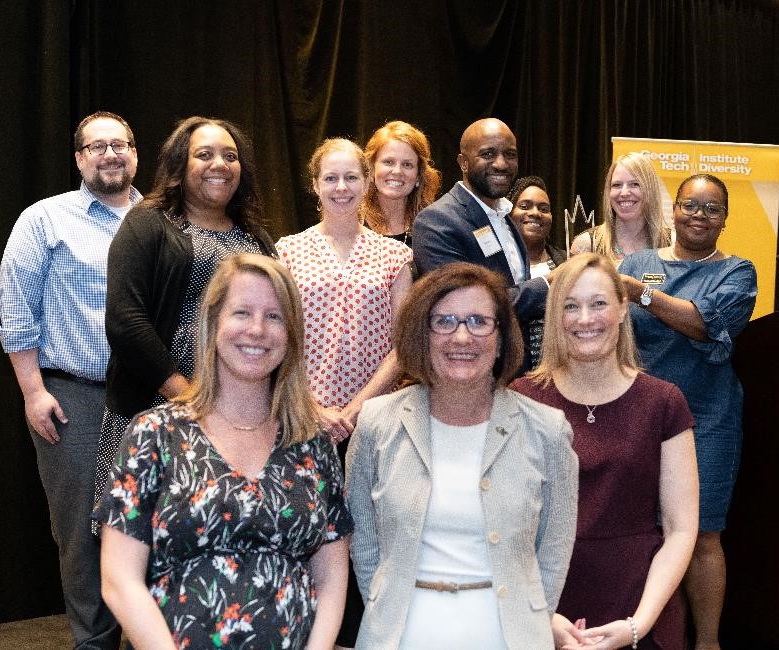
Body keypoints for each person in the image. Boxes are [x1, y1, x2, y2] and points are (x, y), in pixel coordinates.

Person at [97, 254, 353, 649]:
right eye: (242, 312)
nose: (257, 330)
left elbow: (332, 579)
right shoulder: (155, 434)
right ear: (213, 323)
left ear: (292, 334)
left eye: (274, 316)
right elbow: (119, 580)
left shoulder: (312, 443)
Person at [347, 262, 579, 650]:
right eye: (445, 321)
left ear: (502, 337)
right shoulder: (377, 422)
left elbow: (553, 551)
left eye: (478, 321)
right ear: (423, 334)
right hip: (400, 636)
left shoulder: (547, 430)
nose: (461, 336)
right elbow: (363, 539)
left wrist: (532, 619)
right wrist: (383, 603)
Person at [0, 111, 140, 649]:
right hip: (74, 398)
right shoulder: (45, 220)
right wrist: (34, 391)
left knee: (155, 528)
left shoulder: (159, 220)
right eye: (97, 146)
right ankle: (94, 643)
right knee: (83, 535)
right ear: (79, 158)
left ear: (135, 153)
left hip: (157, 400)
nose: (110, 154)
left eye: (120, 144)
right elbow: (16, 311)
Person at [93, 117, 276, 526]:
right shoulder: (148, 223)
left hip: (240, 419)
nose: (220, 164)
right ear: (181, 164)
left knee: (224, 535)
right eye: (204, 154)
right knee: (146, 540)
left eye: (230, 156)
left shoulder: (256, 238)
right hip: (156, 408)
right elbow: (126, 322)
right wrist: (191, 398)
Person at [511, 253, 699, 649]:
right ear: (554, 316)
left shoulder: (664, 402)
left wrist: (638, 624)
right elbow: (503, 528)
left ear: (621, 309)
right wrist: (540, 613)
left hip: (641, 609)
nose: (585, 319)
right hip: (543, 607)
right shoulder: (520, 401)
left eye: (598, 303)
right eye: (570, 305)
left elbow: (682, 529)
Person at [276, 137, 412, 647]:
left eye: (351, 177)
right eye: (330, 178)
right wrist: (313, 407)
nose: (341, 187)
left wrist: (354, 409)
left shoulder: (396, 255)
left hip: (372, 420)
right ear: (314, 185)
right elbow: (278, 339)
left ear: (367, 183)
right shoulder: (288, 250)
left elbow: (404, 345)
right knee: (308, 531)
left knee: (365, 533)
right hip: (300, 419)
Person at [618, 174, 757, 650]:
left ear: (725, 219)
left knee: (702, 535)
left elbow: (704, 323)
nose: (699, 214)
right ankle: (647, 637)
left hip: (708, 418)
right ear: (673, 209)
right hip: (638, 419)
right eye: (690, 205)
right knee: (642, 532)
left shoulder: (738, 272)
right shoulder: (639, 263)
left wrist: (641, 294)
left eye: (712, 208)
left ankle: (708, 643)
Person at [413, 118, 548, 374]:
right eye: (488, 154)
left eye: (510, 155)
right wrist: (548, 285)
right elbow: (469, 306)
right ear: (463, 162)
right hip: (469, 375)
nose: (501, 164)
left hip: (515, 376)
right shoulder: (437, 222)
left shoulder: (505, 217)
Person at [508, 175, 567, 368]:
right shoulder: (500, 262)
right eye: (525, 206)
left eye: (544, 209)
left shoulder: (566, 262)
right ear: (509, 213)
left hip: (560, 373)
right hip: (514, 375)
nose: (535, 213)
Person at [570, 152, 670, 265]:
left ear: (651, 190)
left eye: (635, 184)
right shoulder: (587, 245)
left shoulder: (672, 243)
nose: (624, 193)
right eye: (617, 185)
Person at [360, 120, 442, 247]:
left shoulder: (433, 228)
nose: (397, 171)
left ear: (419, 176)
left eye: (407, 164)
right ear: (371, 168)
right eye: (388, 162)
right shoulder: (350, 222)